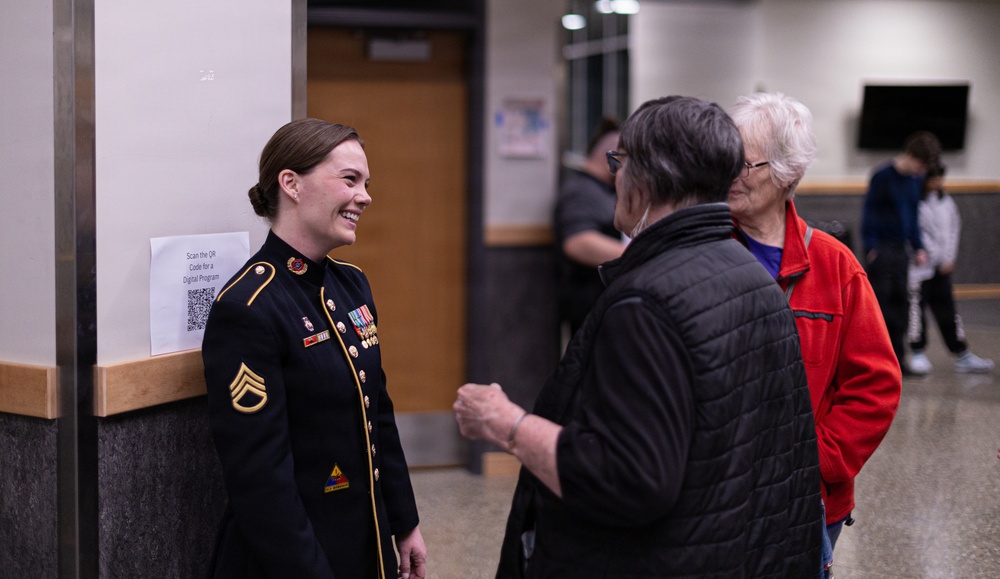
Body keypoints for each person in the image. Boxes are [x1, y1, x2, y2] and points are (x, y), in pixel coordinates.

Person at [454, 96, 822, 578]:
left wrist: (505, 423)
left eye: (620, 163)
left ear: (649, 177)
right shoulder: (752, 276)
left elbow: (631, 479)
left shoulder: (648, 304)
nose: (615, 178)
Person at [201, 119, 427, 579]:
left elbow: (377, 413)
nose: (365, 196)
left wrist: (404, 523)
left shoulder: (351, 283)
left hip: (365, 540)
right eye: (350, 180)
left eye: (366, 183)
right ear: (291, 184)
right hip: (292, 556)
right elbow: (260, 481)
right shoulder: (249, 307)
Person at [727, 92, 902, 578]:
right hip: (720, 502)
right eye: (724, 160)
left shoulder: (835, 265)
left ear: (787, 172)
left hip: (807, 504)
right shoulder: (706, 253)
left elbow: (876, 384)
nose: (730, 175)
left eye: (744, 164)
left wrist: (813, 457)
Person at [860, 130, 941, 376]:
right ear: (910, 155)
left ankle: (897, 361)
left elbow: (913, 216)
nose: (921, 172)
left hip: (902, 251)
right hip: (881, 251)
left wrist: (918, 246)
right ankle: (875, 364)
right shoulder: (882, 176)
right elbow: (869, 213)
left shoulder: (915, 181)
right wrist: (871, 247)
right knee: (879, 309)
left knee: (901, 308)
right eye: (920, 165)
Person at [906, 164, 994, 374]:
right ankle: (918, 352)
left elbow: (953, 229)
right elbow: (915, 233)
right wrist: (929, 254)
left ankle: (961, 353)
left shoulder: (946, 202)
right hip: (920, 269)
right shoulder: (913, 203)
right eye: (933, 179)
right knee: (916, 312)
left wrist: (947, 258)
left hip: (942, 268)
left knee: (948, 311)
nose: (937, 183)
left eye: (940, 179)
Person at [553, 116, 627, 335]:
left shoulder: (594, 190)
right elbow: (578, 242)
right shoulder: (581, 192)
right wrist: (638, 256)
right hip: (588, 310)